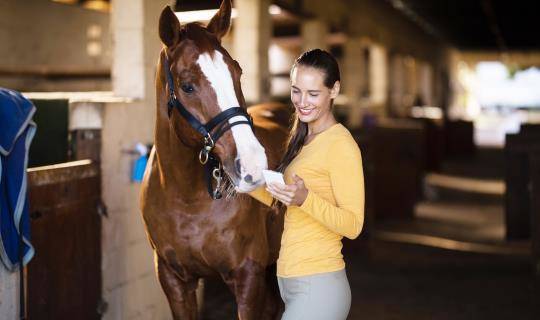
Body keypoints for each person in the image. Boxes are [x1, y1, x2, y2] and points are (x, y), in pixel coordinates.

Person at [249, 49, 365, 320]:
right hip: (292, 282)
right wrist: (245, 182)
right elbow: (285, 199)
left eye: (313, 94)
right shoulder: (302, 139)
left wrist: (306, 199)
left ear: (334, 90)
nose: (302, 102)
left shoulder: (341, 145)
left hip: (320, 285)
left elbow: (353, 225)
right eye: (296, 91)